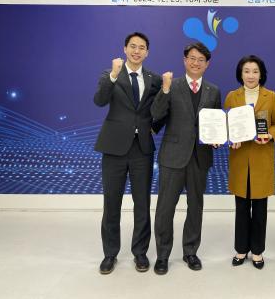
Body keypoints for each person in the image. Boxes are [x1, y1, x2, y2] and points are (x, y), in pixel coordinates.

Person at [93, 32, 163, 275]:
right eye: (132, 46)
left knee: (142, 203)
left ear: (147, 52)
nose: (136, 51)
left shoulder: (154, 79)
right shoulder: (110, 74)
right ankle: (109, 254)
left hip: (141, 148)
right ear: (125, 49)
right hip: (114, 148)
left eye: (141, 47)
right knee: (111, 202)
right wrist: (113, 75)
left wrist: (154, 127)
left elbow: (161, 109)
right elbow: (99, 100)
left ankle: (140, 253)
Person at [150, 42, 222, 275]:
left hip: (200, 157)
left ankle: (190, 251)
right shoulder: (172, 85)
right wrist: (165, 90)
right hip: (173, 156)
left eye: (201, 60)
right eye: (192, 58)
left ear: (207, 64)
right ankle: (162, 255)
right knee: (165, 208)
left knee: (195, 207)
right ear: (184, 60)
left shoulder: (213, 90)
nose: (196, 63)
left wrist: (217, 137)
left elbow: (216, 122)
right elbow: (156, 114)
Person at [224, 55, 275, 269]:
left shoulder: (271, 96)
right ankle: (241, 249)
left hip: (261, 159)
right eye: (246, 71)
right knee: (241, 207)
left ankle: (257, 251)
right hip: (240, 159)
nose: (251, 75)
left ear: (261, 74)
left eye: (255, 71)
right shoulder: (232, 96)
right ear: (240, 74)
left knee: (260, 209)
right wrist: (231, 139)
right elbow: (227, 125)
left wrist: (270, 135)